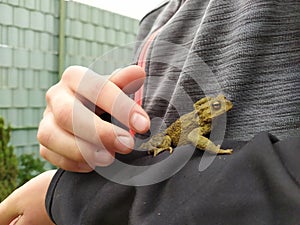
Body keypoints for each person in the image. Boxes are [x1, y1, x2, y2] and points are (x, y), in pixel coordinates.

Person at [1, 0, 300, 224]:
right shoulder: (155, 20)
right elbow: (147, 144)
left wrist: (76, 198)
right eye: (217, 105)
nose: (222, 108)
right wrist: (100, 131)